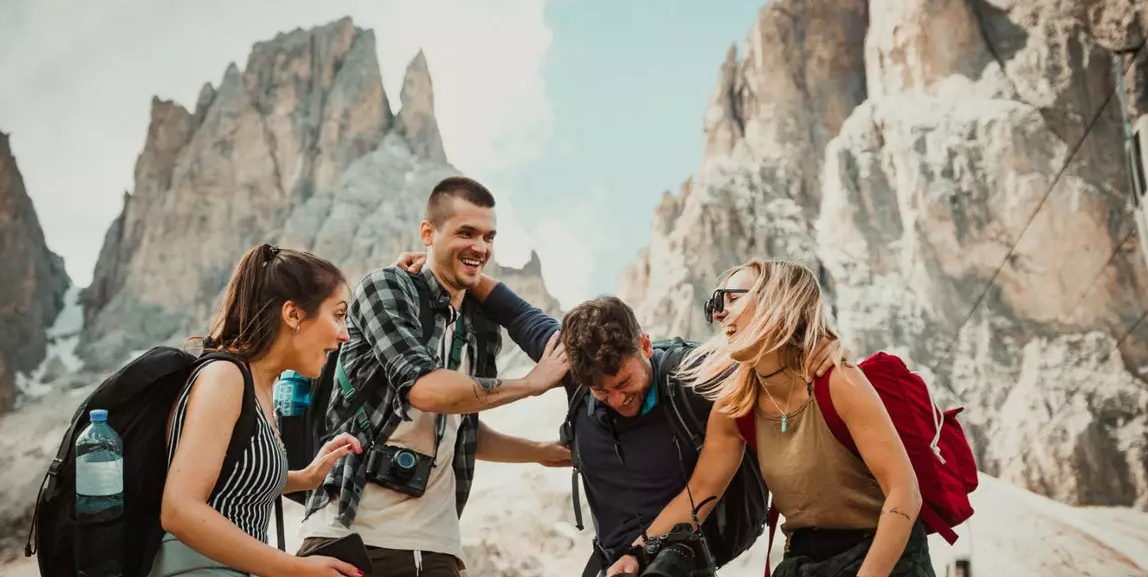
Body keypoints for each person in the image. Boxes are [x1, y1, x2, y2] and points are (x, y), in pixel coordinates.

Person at [393, 253, 843, 577]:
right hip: (614, 557)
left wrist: (820, 343)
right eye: (600, 392)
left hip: (685, 550)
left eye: (625, 384)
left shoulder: (693, 376)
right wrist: (446, 266)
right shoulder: (573, 366)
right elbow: (515, 312)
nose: (616, 400)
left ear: (645, 345)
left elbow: (771, 356)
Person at [296, 176, 572, 577]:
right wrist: (531, 385)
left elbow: (462, 422)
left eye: (489, 237)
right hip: (350, 536)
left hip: (438, 549)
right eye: (466, 232)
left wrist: (540, 452)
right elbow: (425, 390)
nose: (480, 247)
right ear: (428, 232)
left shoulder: (480, 327)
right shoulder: (386, 288)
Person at [634, 258, 933, 577]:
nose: (719, 313)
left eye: (732, 298)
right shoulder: (736, 404)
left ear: (777, 301)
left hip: (883, 557)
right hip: (804, 560)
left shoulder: (837, 381)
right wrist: (636, 552)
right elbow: (700, 493)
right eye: (716, 303)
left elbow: (905, 493)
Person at [153, 243, 366, 577]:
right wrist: (297, 569)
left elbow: (232, 478)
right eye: (338, 315)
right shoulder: (225, 377)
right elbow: (179, 510)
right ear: (294, 314)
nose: (344, 334)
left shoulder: (259, 388)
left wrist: (307, 476)